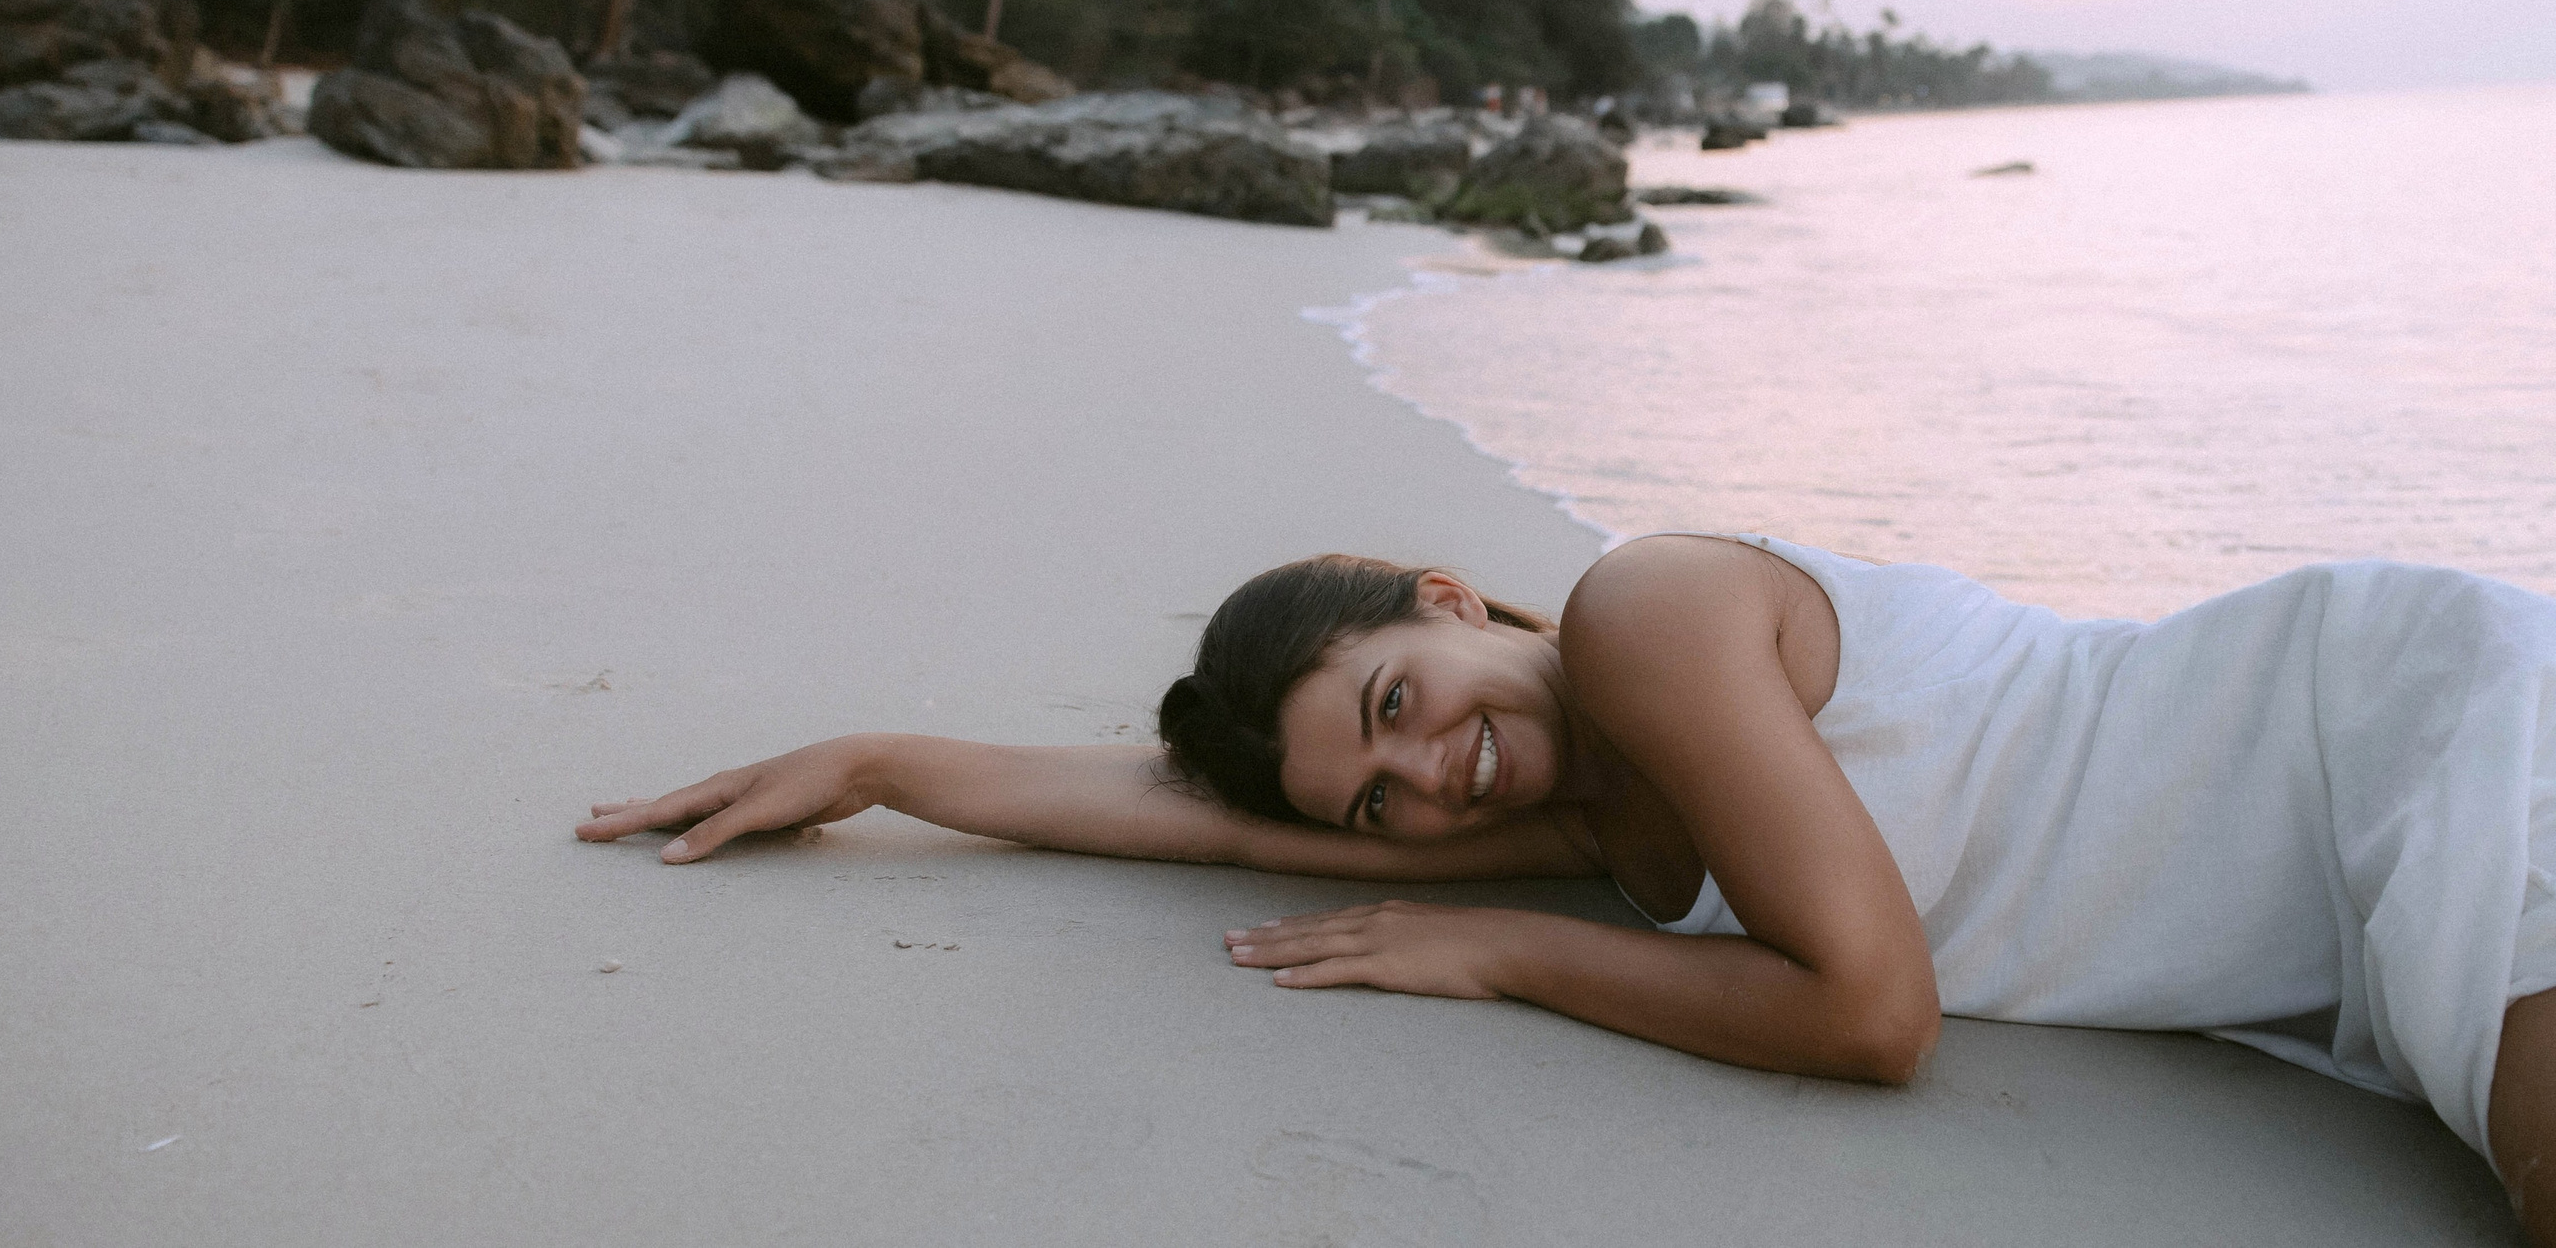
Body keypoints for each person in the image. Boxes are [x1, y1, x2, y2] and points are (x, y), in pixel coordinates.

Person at [576, 533, 2556, 1240]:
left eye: (1398, 699)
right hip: (2334, 947)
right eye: (1382, 810)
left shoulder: (1649, 613)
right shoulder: (1571, 793)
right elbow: (1191, 819)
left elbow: (1871, 1011)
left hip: (2386, 743)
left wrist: (1502, 953)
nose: (1428, 783)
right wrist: (874, 762)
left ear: (1441, 593)